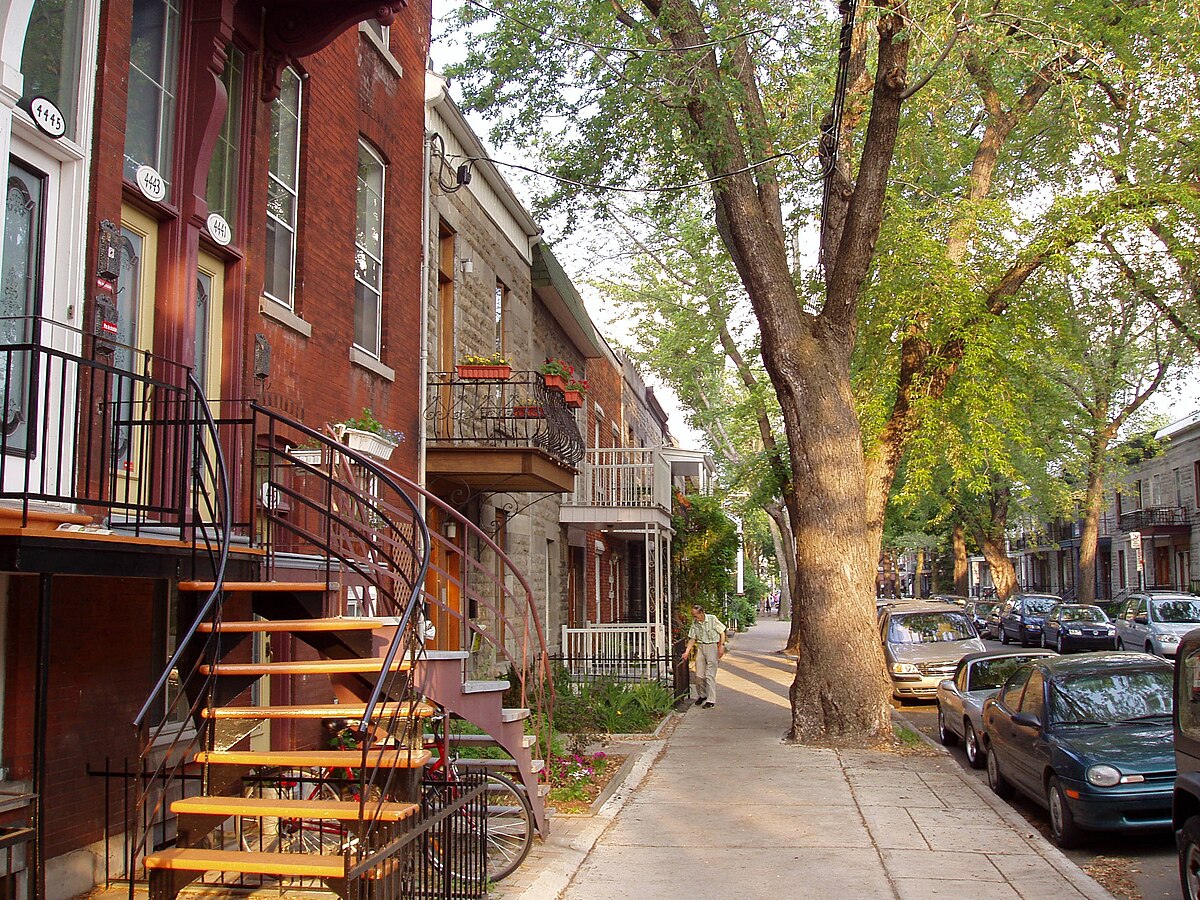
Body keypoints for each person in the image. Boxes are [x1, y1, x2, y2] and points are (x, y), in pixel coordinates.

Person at [680, 604, 726, 708]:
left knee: (709, 675)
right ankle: (702, 695)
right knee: (699, 676)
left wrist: (721, 646)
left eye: (696, 615)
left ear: (701, 613)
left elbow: (722, 632)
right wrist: (687, 651)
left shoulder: (712, 619)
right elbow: (692, 638)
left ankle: (711, 700)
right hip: (701, 647)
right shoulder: (695, 623)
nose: (694, 618)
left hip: (711, 646)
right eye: (693, 616)